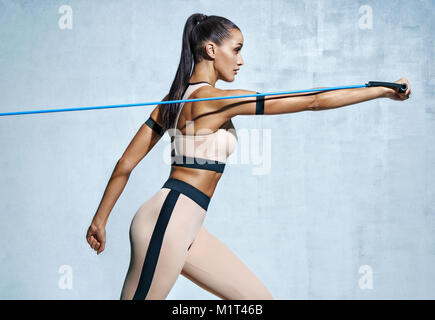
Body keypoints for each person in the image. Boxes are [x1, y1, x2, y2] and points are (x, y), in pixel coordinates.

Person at [85, 13, 411, 300]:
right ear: (212, 50)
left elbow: (124, 164)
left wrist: (101, 219)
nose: (241, 60)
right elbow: (311, 101)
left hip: (186, 224)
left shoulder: (172, 101)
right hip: (167, 219)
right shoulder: (213, 100)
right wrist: (380, 91)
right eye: (237, 49)